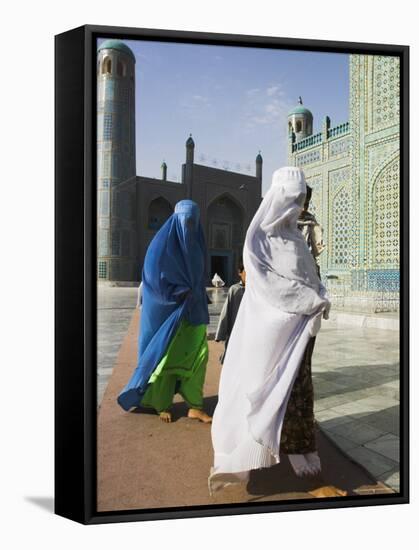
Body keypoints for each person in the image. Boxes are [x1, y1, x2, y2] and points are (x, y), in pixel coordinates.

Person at [209, 167, 345, 497]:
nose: (298, 205)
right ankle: (305, 470)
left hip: (301, 332)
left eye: (301, 199)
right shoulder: (260, 240)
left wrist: (319, 295)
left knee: (298, 393)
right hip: (274, 333)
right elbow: (270, 287)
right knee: (282, 393)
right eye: (294, 198)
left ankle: (300, 455)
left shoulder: (294, 236)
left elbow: (306, 275)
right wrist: (311, 298)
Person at [118, 200, 212, 424]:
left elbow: (198, 277)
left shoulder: (197, 244)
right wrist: (178, 292)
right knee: (165, 358)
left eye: (193, 221)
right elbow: (152, 280)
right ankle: (161, 403)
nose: (188, 226)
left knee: (199, 355)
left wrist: (197, 294)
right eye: (185, 221)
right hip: (168, 313)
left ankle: (195, 405)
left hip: (193, 311)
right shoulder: (159, 247)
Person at [215, 260, 246, 364]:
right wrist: (220, 334)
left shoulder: (257, 290)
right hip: (235, 329)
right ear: (240, 272)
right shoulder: (235, 290)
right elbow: (226, 312)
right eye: (247, 271)